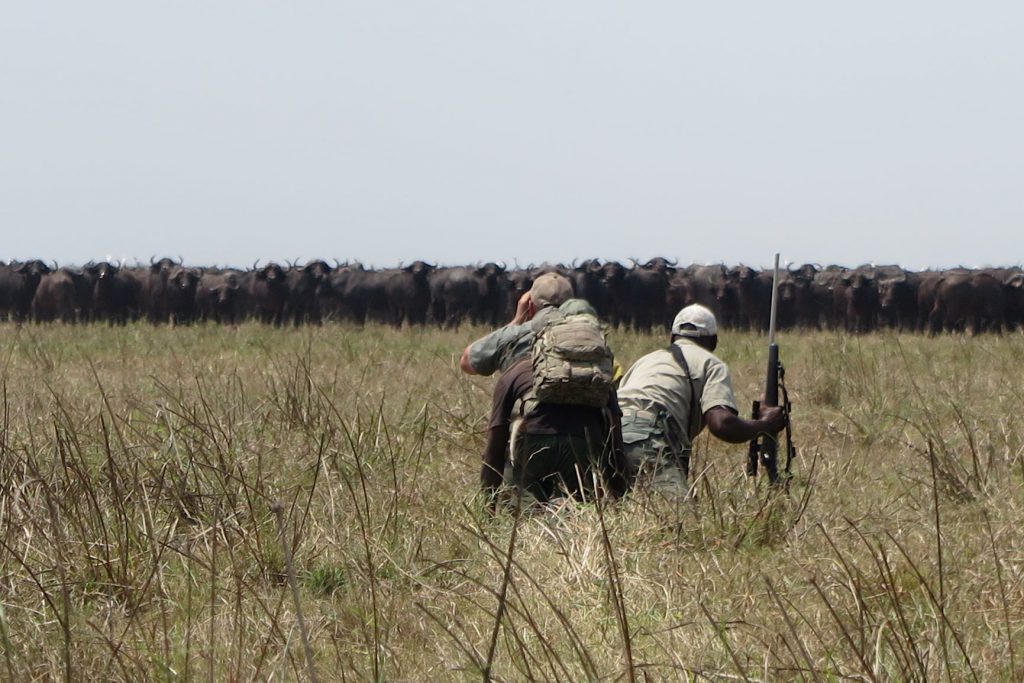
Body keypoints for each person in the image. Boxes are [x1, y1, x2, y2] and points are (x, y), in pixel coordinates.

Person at [616, 304, 786, 497]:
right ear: (714, 342)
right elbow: (722, 424)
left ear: (672, 338)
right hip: (648, 437)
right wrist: (765, 425)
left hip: (610, 436)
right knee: (679, 519)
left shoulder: (644, 361)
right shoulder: (710, 363)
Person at [460, 272, 575, 377]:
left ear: (529, 306)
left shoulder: (515, 335)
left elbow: (467, 362)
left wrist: (517, 320)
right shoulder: (589, 332)